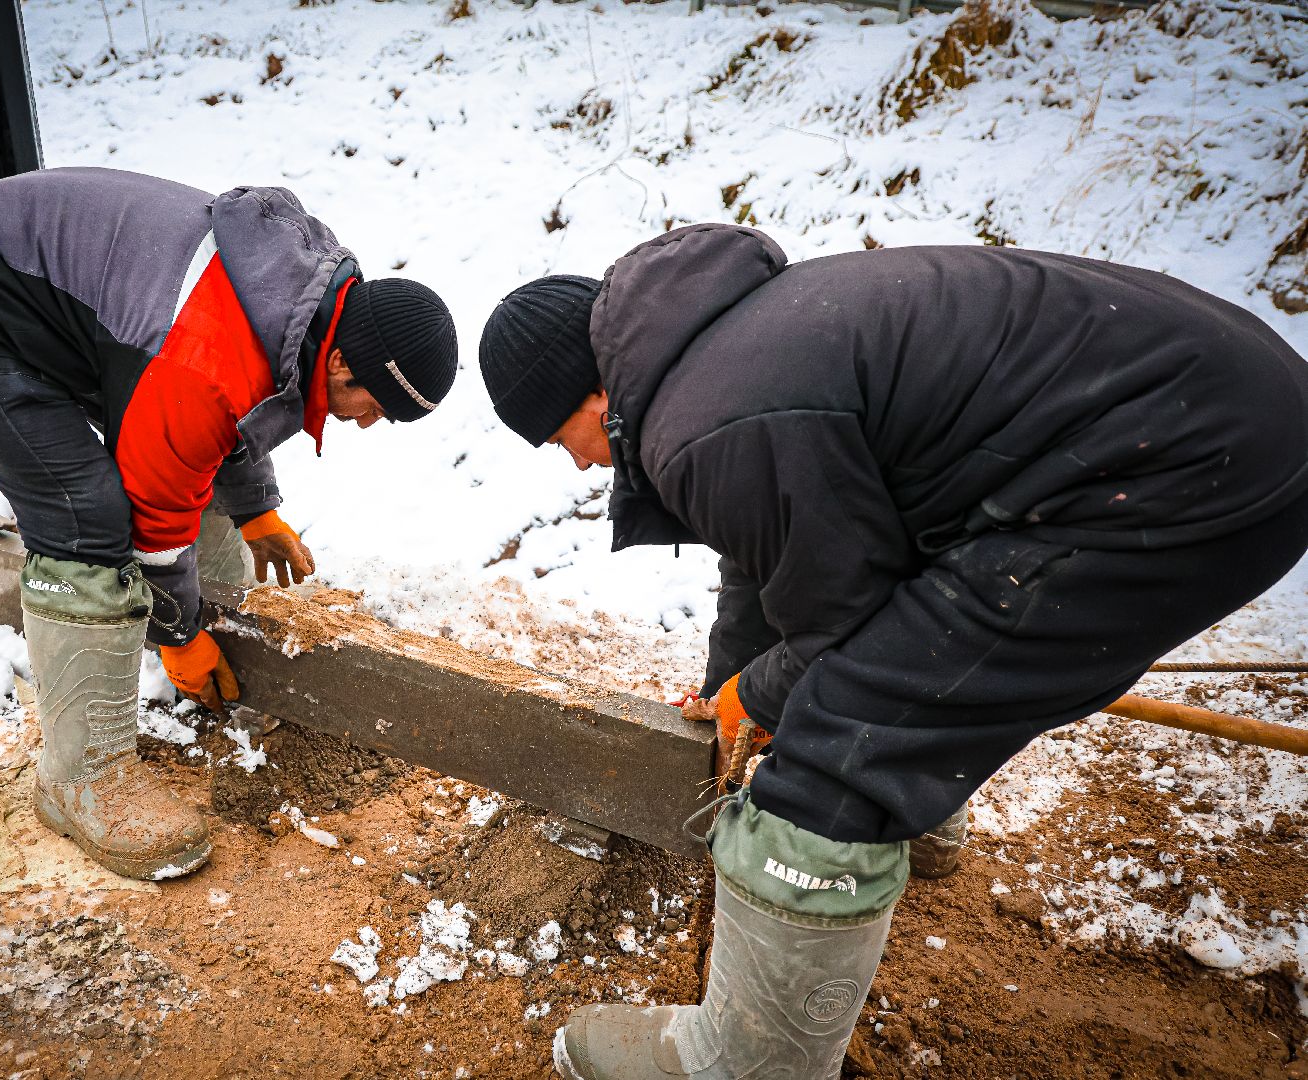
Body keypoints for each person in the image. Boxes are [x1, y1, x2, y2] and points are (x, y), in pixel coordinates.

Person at [478, 225, 1308, 1079]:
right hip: (1227, 407)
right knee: (897, 658)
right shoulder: (726, 357)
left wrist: (760, 700)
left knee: (845, 733)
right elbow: (770, 553)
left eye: (556, 443)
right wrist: (729, 682)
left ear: (588, 398)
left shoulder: (709, 425)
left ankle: (741, 1064)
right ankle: (914, 821)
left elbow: (842, 627)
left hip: (1184, 471)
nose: (577, 467)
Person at [0, 167, 456, 881]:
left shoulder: (300, 303)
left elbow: (230, 412)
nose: (366, 424)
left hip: (52, 300)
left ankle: (227, 662)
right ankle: (81, 779)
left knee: (170, 467)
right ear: (341, 362)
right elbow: (162, 496)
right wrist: (178, 634)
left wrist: (255, 506)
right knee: (83, 512)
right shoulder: (205, 353)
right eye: (374, 409)